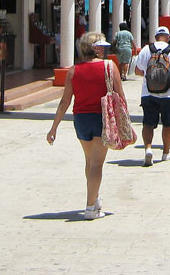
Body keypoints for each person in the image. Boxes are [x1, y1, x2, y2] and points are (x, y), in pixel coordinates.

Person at [47, 32, 122, 220]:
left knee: (89, 161)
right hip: (102, 118)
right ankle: (90, 207)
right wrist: (122, 122)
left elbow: (65, 101)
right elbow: (120, 96)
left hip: (81, 119)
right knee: (97, 164)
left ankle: (95, 198)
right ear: (96, 49)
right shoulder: (110, 67)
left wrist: (54, 127)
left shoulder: (73, 70)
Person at [133, 26, 170, 166]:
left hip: (148, 93)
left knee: (148, 123)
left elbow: (138, 72)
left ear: (155, 36)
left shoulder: (146, 50)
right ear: (168, 37)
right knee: (168, 124)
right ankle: (165, 152)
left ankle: (148, 149)